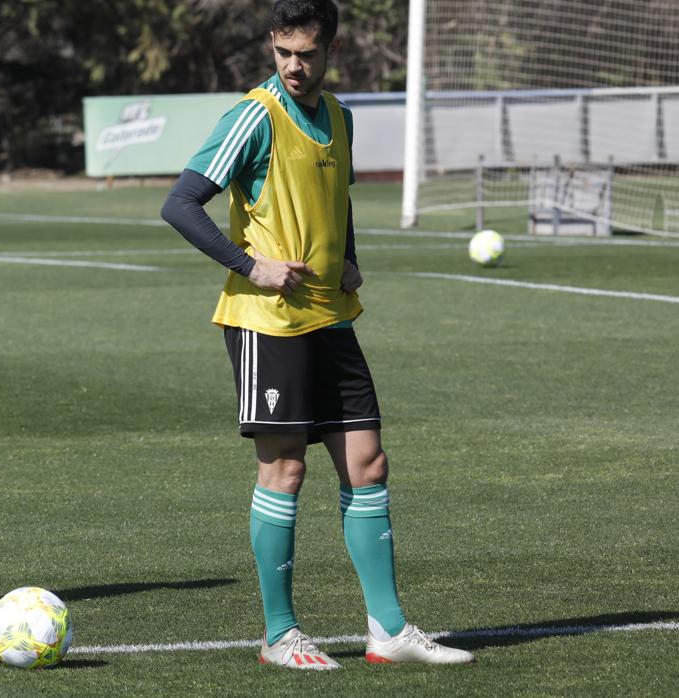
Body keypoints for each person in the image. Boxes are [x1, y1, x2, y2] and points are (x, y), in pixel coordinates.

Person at [160, 0, 473, 670]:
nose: (293, 67)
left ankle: (387, 630)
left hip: (331, 316)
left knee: (368, 465)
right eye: (282, 54)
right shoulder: (254, 114)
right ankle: (279, 634)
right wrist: (251, 266)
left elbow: (339, 201)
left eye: (305, 53)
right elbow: (179, 202)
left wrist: (349, 256)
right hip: (265, 323)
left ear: (330, 48)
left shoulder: (339, 116)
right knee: (285, 470)